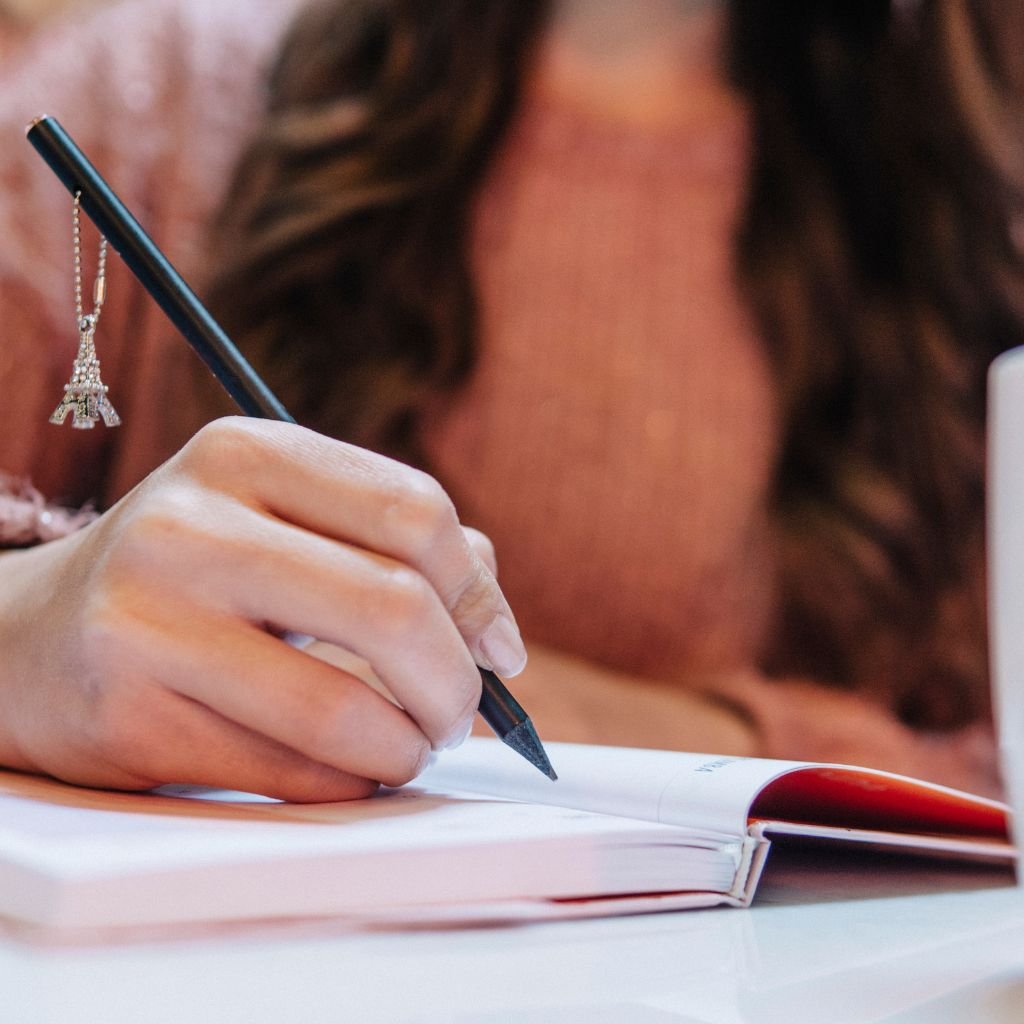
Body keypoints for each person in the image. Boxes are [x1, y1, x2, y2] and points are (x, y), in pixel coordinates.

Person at [0, 0, 1019, 800]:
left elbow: (990, 784)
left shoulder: (980, 215)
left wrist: (657, 725)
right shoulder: (147, 107)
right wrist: (27, 628)